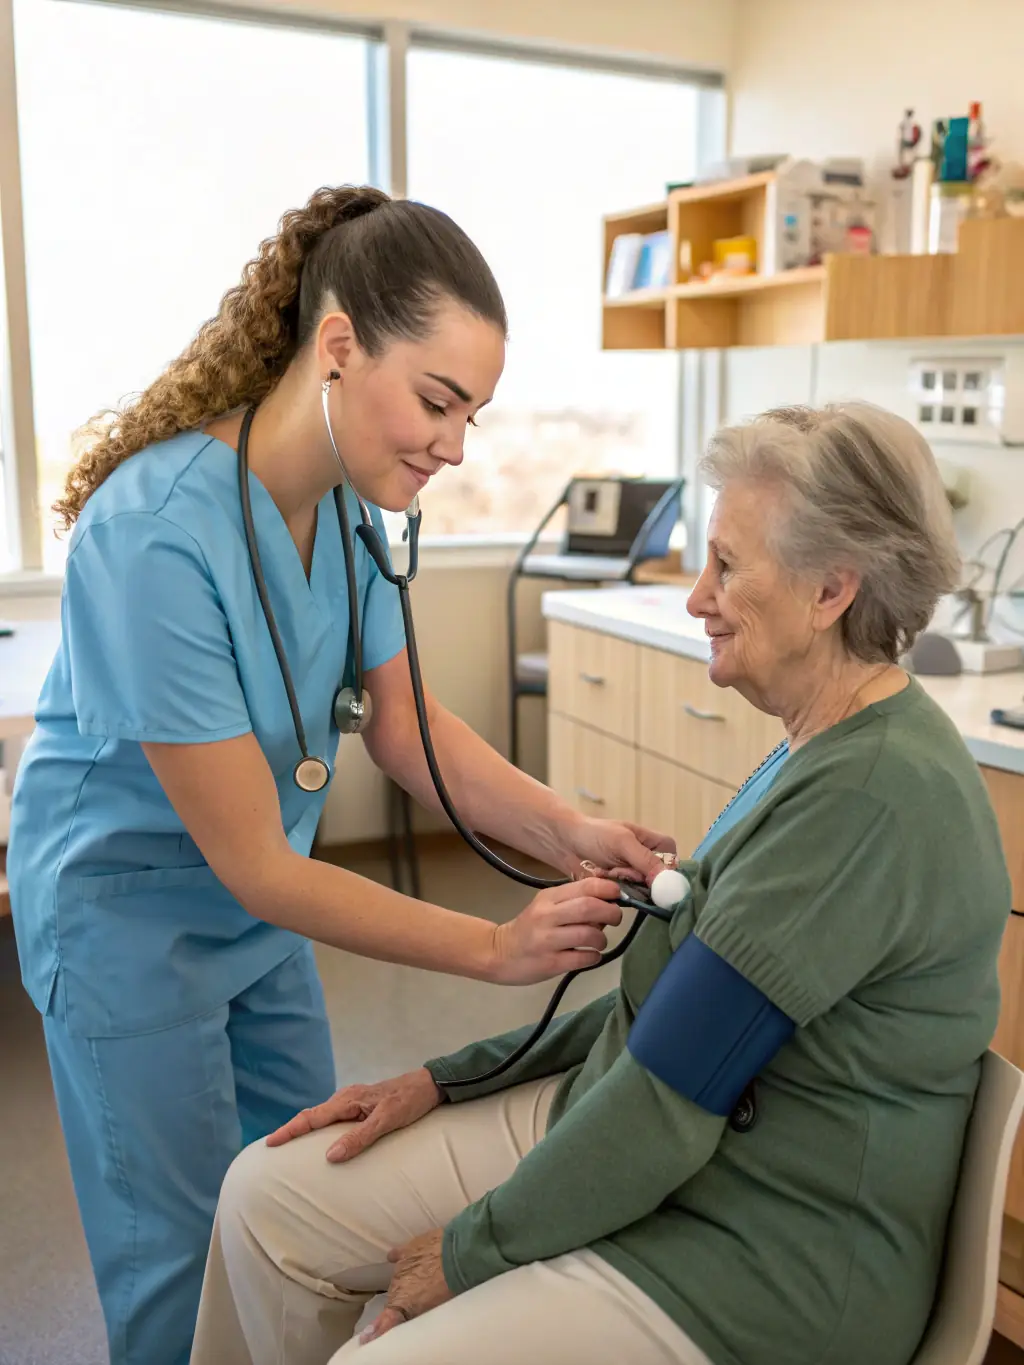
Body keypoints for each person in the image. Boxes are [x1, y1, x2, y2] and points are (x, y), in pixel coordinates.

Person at [189, 402, 1012, 1365]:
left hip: (769, 1254)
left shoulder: (872, 797)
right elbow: (673, 1015)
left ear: (832, 589)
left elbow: (672, 1089)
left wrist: (468, 1255)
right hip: (674, 1145)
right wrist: (440, 1081)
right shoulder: (813, 749)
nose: (696, 596)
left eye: (727, 566)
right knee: (264, 1195)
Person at [6, 184, 675, 1365]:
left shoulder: (349, 517)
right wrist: (493, 949)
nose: (453, 447)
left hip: (258, 920)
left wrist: (567, 827)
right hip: (126, 919)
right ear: (335, 346)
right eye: (434, 401)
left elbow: (408, 729)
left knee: (298, 1194)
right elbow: (260, 862)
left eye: (473, 415)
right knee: (179, 1255)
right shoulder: (150, 534)